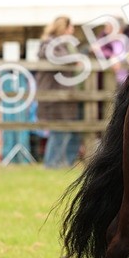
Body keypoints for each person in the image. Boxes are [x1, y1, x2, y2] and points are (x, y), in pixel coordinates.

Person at [36, 16, 84, 168]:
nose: (72, 31)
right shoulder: (49, 43)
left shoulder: (63, 44)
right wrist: (74, 59)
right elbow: (55, 57)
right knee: (59, 130)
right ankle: (52, 164)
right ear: (64, 27)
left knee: (69, 130)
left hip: (65, 93)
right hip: (54, 94)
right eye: (70, 27)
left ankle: (64, 164)